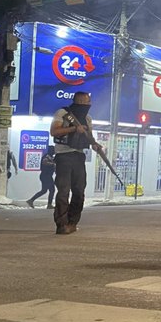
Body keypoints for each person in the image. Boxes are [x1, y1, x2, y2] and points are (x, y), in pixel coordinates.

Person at [50, 91, 102, 235]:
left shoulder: (87, 118)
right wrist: (74, 128)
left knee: (79, 191)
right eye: (86, 102)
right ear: (78, 101)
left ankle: (72, 222)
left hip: (79, 156)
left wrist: (95, 145)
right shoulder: (62, 113)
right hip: (63, 155)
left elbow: (89, 136)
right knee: (63, 191)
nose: (88, 104)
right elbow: (54, 131)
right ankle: (61, 224)